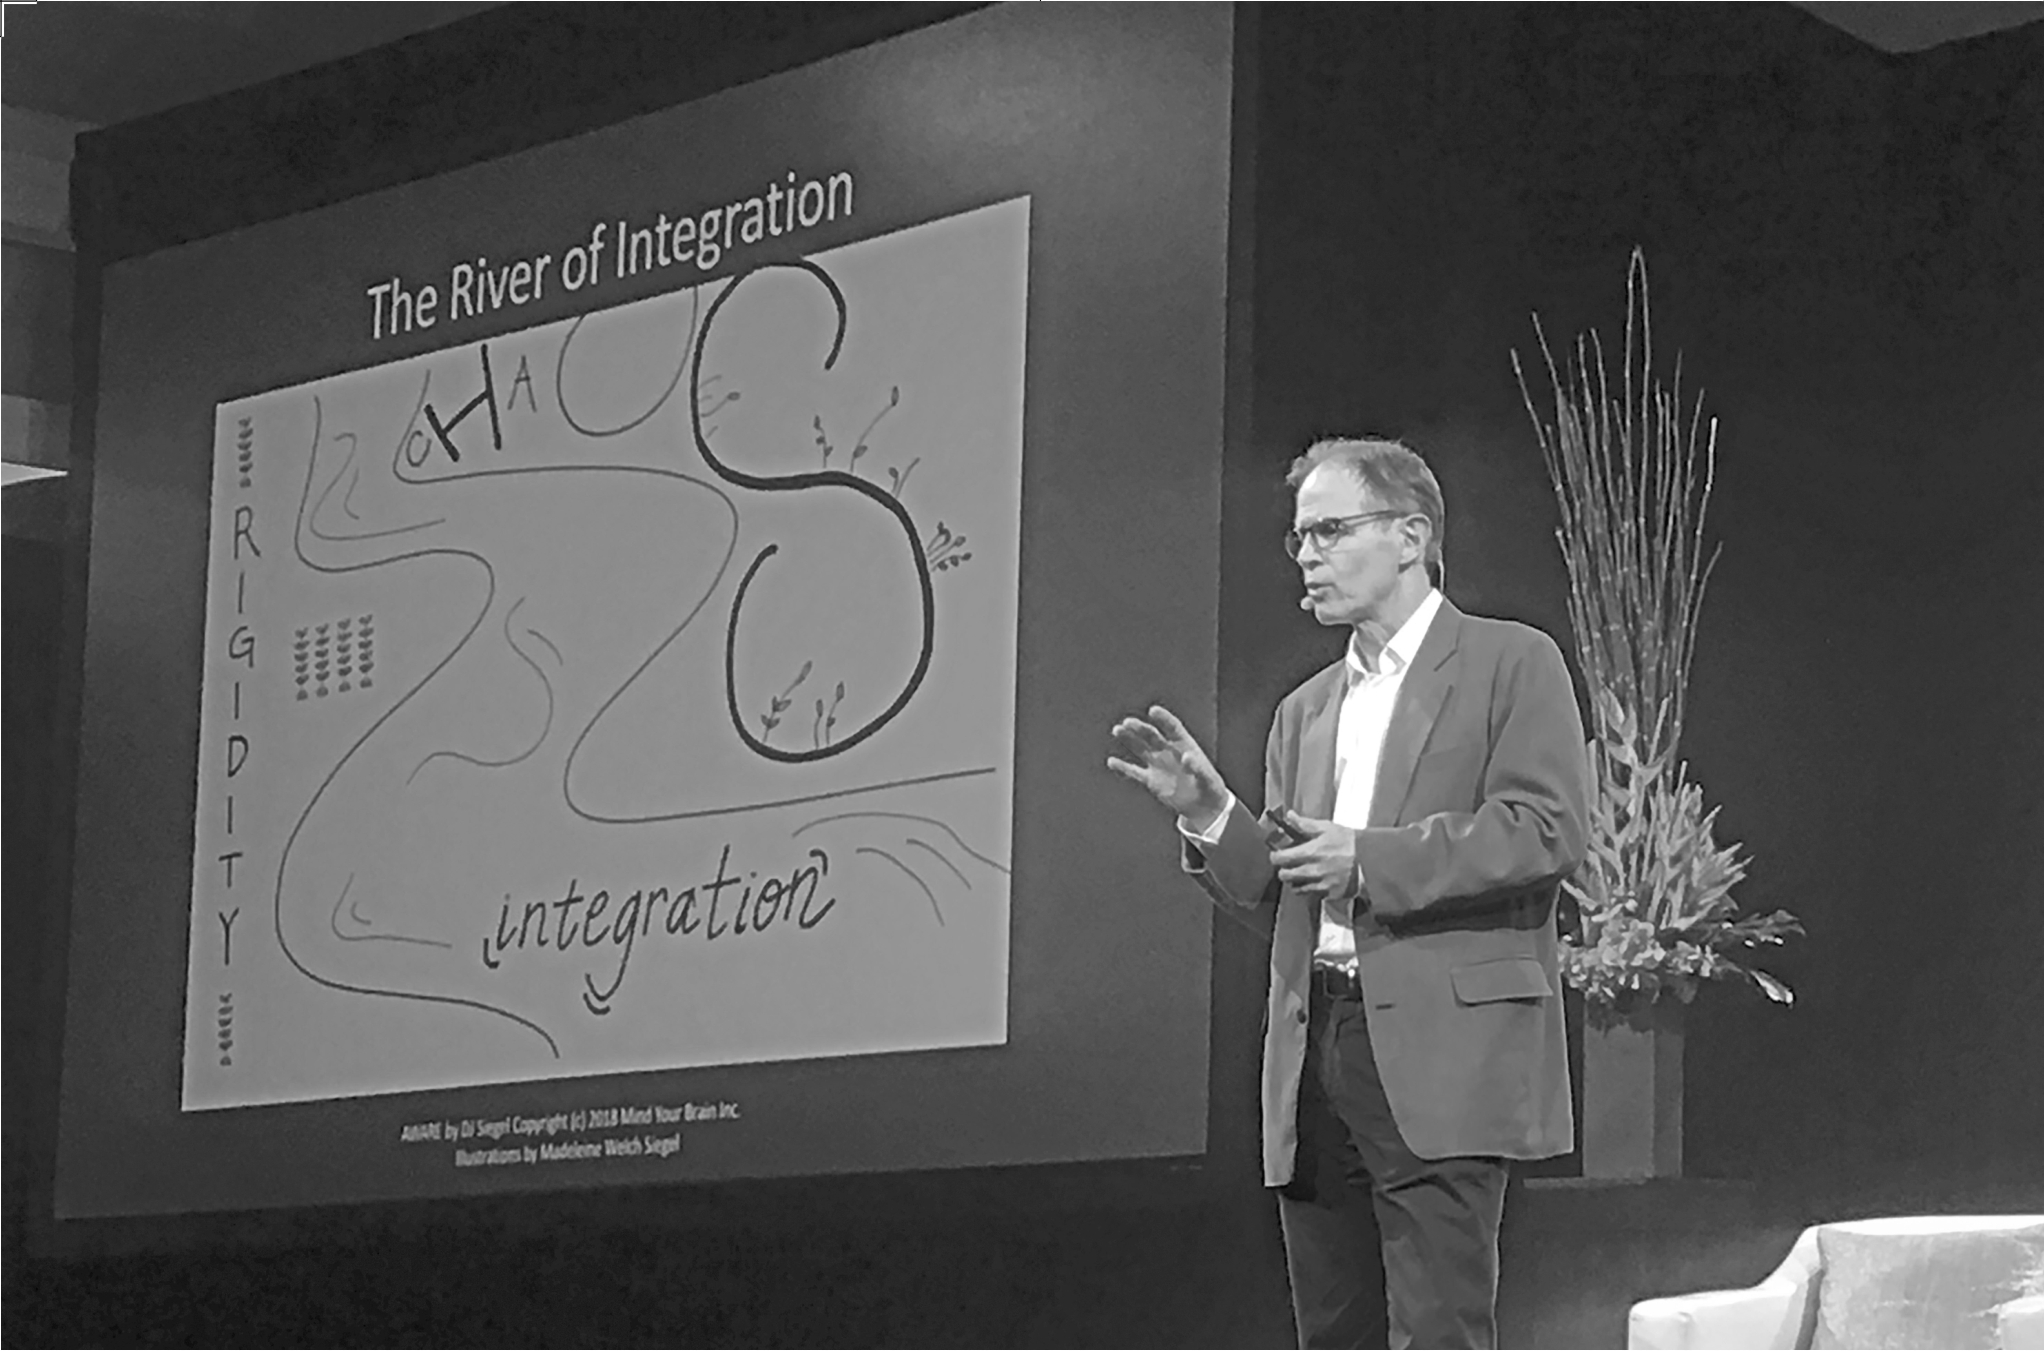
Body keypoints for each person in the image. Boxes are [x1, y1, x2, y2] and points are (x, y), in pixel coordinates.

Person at [1108, 437, 1588, 1350]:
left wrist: (1369, 861)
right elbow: (1284, 893)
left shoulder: (1509, 661)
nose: (1307, 556)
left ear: (1411, 536)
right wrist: (1212, 814)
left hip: (1440, 1047)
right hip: (1315, 1046)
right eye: (1299, 538)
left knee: (1437, 1331)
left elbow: (1544, 828)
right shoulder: (1306, 709)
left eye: (1329, 531)